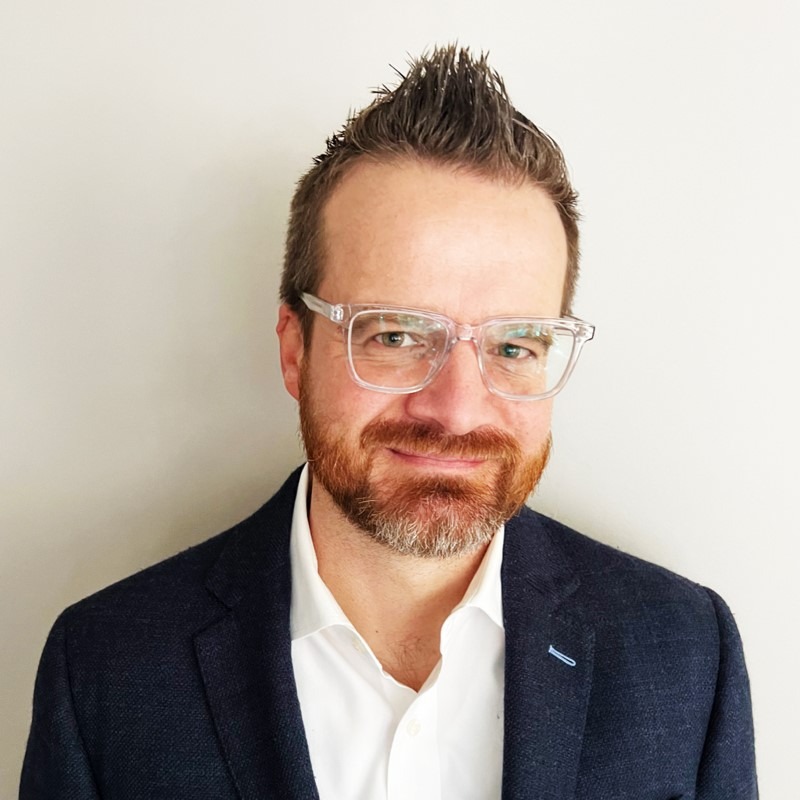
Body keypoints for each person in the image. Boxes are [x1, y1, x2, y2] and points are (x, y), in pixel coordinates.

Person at [21, 46, 757, 799]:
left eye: (513, 345)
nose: (456, 411)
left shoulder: (686, 654)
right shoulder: (106, 669)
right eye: (397, 336)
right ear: (294, 350)